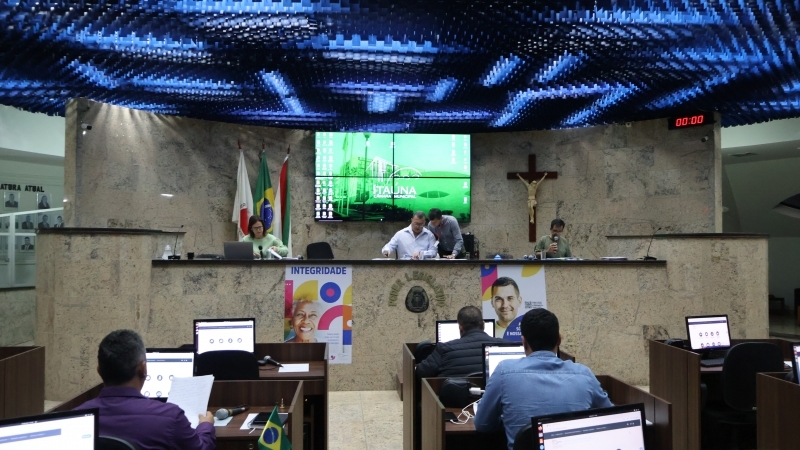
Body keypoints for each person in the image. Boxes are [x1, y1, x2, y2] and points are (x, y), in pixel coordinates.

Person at [475, 309, 612, 449]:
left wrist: (509, 420)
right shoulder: (584, 375)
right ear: (559, 339)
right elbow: (612, 418)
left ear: (523, 341)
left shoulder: (504, 371)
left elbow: (482, 424)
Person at [76, 330, 216, 449]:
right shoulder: (170, 417)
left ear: (99, 371)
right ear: (143, 369)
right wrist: (206, 426)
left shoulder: (75, 419)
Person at [416, 306, 507, 377]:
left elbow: (420, 372)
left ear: (460, 327)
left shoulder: (444, 349)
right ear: (483, 324)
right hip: (495, 396)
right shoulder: (505, 346)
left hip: (454, 396)